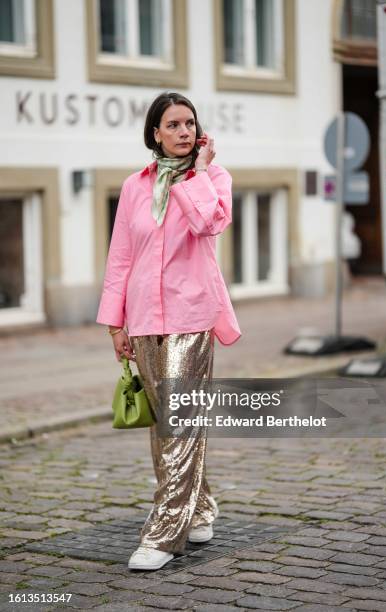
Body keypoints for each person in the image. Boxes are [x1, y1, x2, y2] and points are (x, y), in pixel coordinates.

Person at [96, 91, 241, 570]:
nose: (182, 131)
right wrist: (115, 322)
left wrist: (197, 172)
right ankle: (198, 507)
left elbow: (210, 223)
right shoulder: (136, 186)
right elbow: (121, 256)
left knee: (179, 422)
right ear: (155, 132)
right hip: (143, 318)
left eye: (189, 123)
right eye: (173, 124)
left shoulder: (214, 178)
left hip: (191, 315)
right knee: (166, 424)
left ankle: (163, 534)